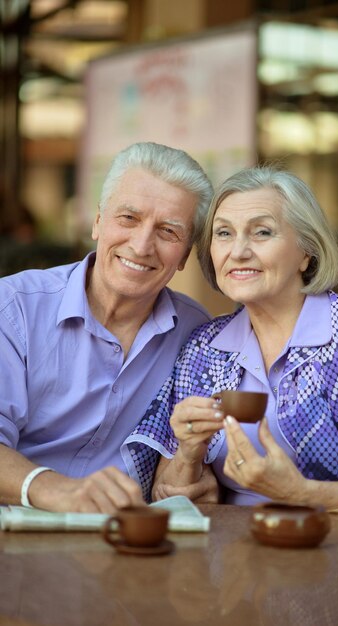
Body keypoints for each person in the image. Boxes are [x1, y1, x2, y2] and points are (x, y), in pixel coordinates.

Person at [128, 165, 338, 515]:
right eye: (223, 233)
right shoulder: (204, 348)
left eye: (262, 232)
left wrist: (303, 494)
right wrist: (189, 450)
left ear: (306, 251)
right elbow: (168, 495)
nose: (238, 251)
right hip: (231, 554)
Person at [0, 141, 216, 513]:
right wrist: (55, 490)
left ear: (184, 256)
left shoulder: (198, 333)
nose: (142, 244)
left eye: (168, 231)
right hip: (21, 528)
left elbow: (188, 456)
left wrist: (197, 474)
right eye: (128, 218)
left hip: (135, 538)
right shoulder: (13, 308)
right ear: (98, 221)